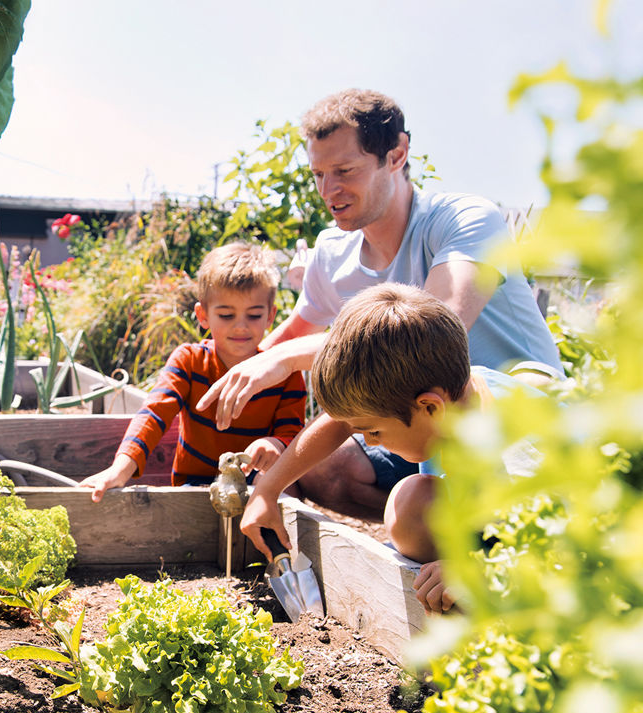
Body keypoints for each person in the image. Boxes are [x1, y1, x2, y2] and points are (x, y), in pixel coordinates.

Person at [197, 88, 561, 522]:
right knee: (322, 470)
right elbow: (281, 342)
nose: (329, 191)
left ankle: (462, 531)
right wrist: (199, 381)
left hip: (507, 423)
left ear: (397, 154)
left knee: (404, 496)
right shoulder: (333, 253)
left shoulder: (463, 221)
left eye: (345, 170)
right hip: (406, 420)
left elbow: (430, 337)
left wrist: (285, 359)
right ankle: (423, 526)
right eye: (318, 175)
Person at [239, 283, 546, 614]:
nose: (368, 441)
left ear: (430, 408)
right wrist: (267, 491)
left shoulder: (519, 453)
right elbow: (342, 421)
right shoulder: (450, 395)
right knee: (411, 504)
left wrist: (480, 569)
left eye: (373, 431)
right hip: (489, 522)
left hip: (546, 553)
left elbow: (574, 549)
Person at [80, 243, 306, 501]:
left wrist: (275, 444)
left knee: (287, 492)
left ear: (270, 316)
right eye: (226, 315)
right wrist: (120, 469)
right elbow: (154, 413)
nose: (241, 326)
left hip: (257, 483)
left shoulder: (285, 373)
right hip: (195, 485)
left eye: (254, 315)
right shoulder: (190, 361)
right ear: (203, 315)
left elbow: (292, 433)